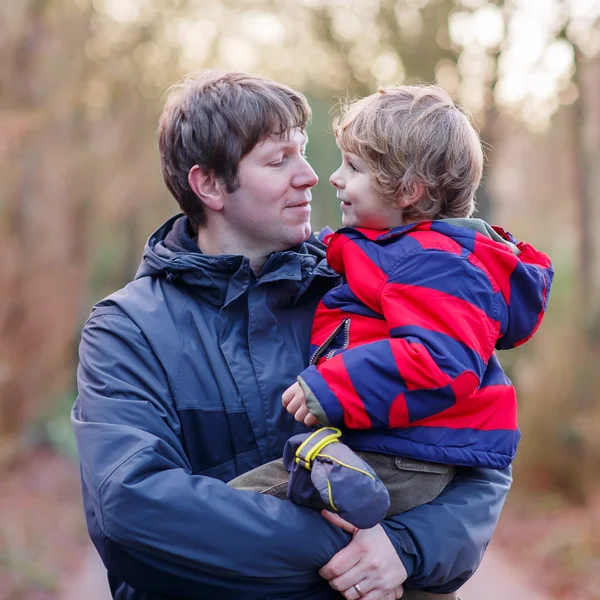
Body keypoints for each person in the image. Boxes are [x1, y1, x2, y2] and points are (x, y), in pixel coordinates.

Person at [72, 70, 512, 600]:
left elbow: (479, 452)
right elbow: (133, 509)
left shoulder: (373, 283)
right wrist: (351, 555)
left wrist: (405, 549)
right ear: (209, 184)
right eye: (279, 160)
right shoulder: (127, 330)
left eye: (303, 153)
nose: (310, 176)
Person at [230, 85, 553, 530]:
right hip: (394, 446)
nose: (335, 178)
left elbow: (441, 361)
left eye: (354, 168)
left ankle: (363, 513)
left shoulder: (438, 265)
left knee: (236, 507)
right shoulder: (404, 250)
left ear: (407, 190)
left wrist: (332, 387)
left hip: (403, 455)